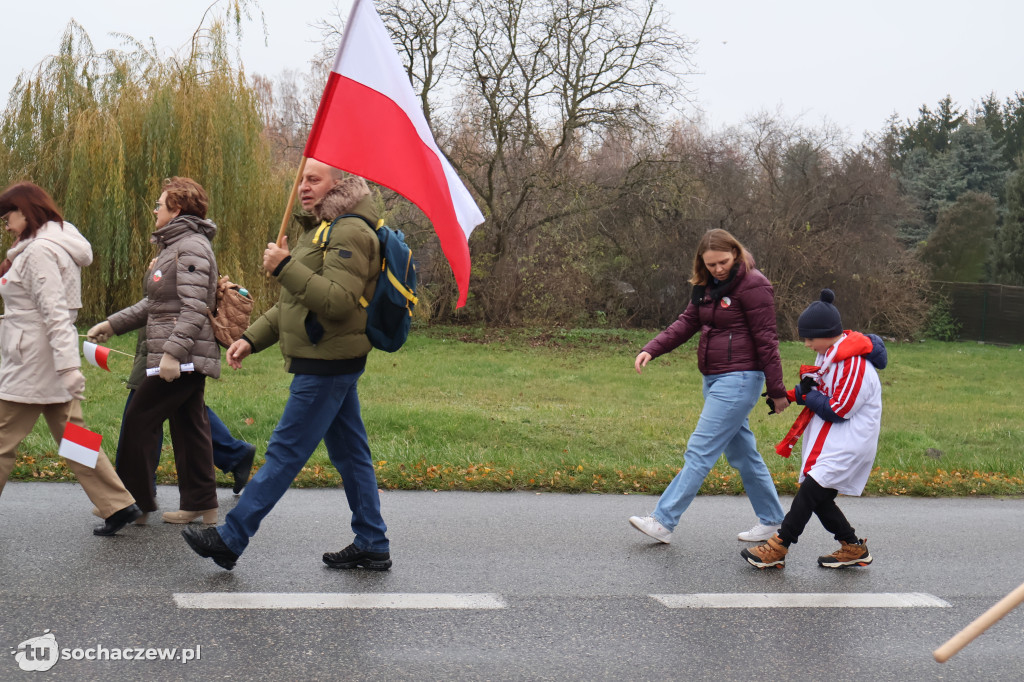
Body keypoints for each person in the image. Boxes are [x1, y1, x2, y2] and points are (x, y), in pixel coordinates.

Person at [182, 159, 390, 571]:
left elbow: (336, 301)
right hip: (328, 357)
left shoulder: (350, 231)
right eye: (301, 180)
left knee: (285, 452)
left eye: (314, 180)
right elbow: (294, 305)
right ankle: (372, 540)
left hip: (327, 361)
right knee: (351, 454)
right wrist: (249, 338)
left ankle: (231, 537)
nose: (303, 187)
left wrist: (284, 266)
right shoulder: (322, 231)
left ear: (340, 184)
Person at [628, 228, 789, 544]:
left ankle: (663, 521)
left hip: (741, 379)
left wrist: (777, 390)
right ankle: (773, 520)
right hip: (714, 378)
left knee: (700, 450)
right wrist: (652, 348)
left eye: (724, 262)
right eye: (711, 264)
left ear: (735, 253)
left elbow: (767, 340)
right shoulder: (706, 287)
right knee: (743, 454)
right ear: (702, 263)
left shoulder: (755, 285)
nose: (718, 269)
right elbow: (687, 322)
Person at [0, 181, 141, 536]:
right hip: (44, 356)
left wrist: (68, 367)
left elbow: (56, 314)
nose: (4, 221)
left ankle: (117, 503)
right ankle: (118, 504)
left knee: (1, 439)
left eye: (8, 213)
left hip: (33, 359)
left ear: (27, 211)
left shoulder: (38, 252)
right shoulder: (48, 245)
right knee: (74, 436)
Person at [87, 177, 220, 525]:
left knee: (138, 422)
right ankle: (202, 503)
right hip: (180, 352)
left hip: (182, 355)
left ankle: (132, 503)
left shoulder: (189, 247)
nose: (155, 210)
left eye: (159, 205)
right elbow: (155, 304)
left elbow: (194, 308)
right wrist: (112, 324)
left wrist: (173, 354)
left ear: (176, 209)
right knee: (190, 428)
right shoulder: (174, 246)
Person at [742, 289, 886, 570]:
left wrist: (806, 396)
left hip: (851, 442)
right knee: (818, 498)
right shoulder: (830, 355)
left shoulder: (854, 363)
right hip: (833, 440)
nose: (807, 344)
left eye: (810, 338)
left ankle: (778, 546)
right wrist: (786, 396)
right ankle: (853, 547)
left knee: (811, 492)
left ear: (828, 333)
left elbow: (839, 409)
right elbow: (815, 388)